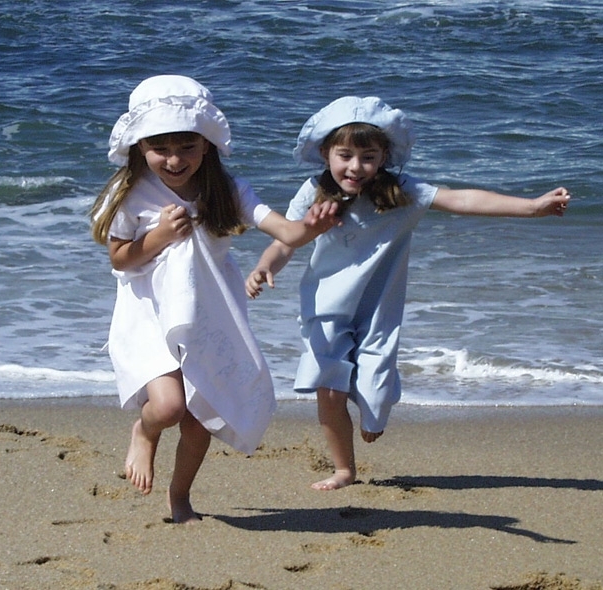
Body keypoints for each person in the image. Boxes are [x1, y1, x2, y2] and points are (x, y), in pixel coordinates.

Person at [245, 96, 571, 491]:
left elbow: (460, 199)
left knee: (374, 396)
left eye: (368, 156)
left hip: (378, 308)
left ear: (384, 156)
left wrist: (532, 207)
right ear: (325, 153)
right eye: (344, 154)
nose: (355, 166)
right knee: (328, 389)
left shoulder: (400, 193)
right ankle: (344, 469)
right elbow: (285, 242)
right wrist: (264, 267)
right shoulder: (314, 192)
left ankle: (373, 408)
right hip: (325, 306)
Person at [90, 75, 338, 522]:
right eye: (160, 147)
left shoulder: (228, 189)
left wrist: (312, 227)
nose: (174, 159)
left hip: (210, 313)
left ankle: (180, 496)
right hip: (149, 313)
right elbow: (121, 259)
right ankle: (144, 433)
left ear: (207, 144)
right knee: (167, 407)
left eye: (187, 145)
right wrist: (162, 236)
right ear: (139, 146)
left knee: (199, 416)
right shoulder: (128, 193)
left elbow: (285, 230)